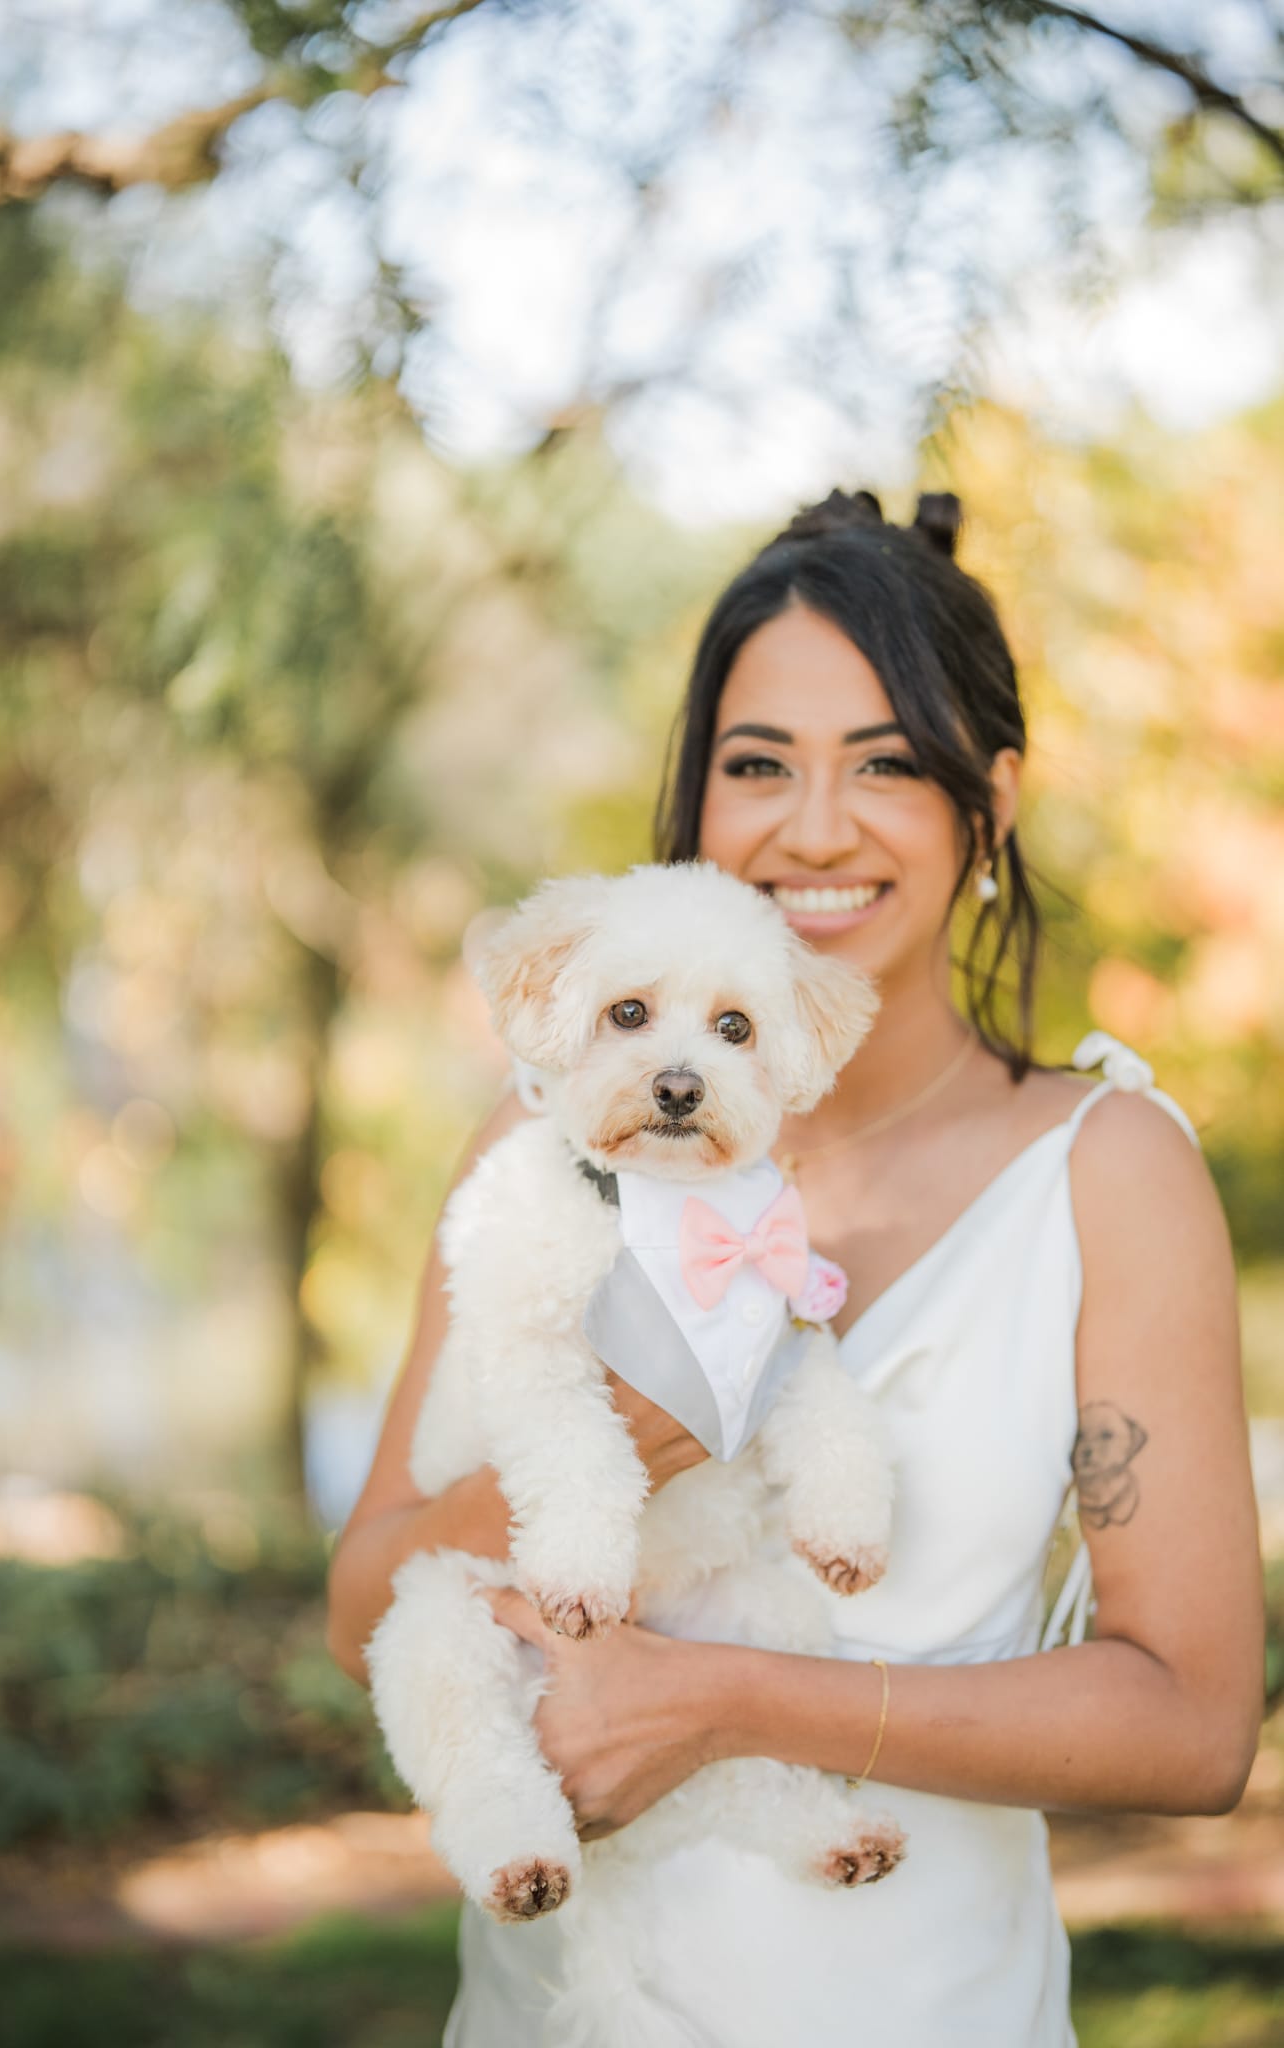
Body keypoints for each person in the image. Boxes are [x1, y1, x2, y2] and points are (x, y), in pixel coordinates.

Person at [326, 488, 1263, 2046]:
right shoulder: (544, 1135)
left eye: (885, 764)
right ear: (695, 797)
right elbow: (365, 1593)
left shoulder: (1107, 1173)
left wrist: (722, 1706)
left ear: (991, 803)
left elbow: (1194, 1725)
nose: (813, 829)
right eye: (757, 764)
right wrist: (617, 1444)